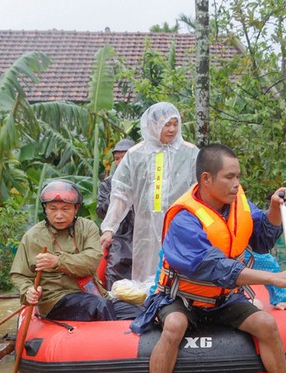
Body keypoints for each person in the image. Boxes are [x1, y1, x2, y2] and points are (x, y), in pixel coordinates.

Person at [129, 143, 286, 373]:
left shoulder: (238, 204)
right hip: (182, 296)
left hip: (223, 298)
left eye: (238, 177)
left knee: (267, 324)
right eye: (229, 177)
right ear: (206, 179)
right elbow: (214, 267)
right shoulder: (184, 218)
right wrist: (274, 278)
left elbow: (261, 239)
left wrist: (274, 208)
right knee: (175, 325)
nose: (236, 184)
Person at [11, 179, 138, 321]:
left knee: (138, 312)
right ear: (45, 209)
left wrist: (57, 261)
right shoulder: (33, 236)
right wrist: (27, 290)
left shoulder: (87, 227)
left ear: (76, 208)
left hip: (93, 293)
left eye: (65, 209)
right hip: (56, 299)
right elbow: (19, 275)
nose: (59, 215)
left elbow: (91, 261)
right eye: (52, 209)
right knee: (98, 306)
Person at [99, 102, 199, 285]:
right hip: (145, 228)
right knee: (145, 276)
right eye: (166, 124)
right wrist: (109, 228)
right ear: (152, 125)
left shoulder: (190, 153)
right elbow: (121, 193)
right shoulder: (135, 154)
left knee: (181, 273)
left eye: (175, 124)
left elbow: (201, 191)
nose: (172, 129)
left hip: (180, 225)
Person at [97, 138, 136, 290]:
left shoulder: (147, 181)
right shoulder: (108, 183)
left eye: (124, 157)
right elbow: (101, 210)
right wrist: (118, 196)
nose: (120, 161)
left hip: (143, 234)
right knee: (116, 266)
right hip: (119, 235)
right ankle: (114, 304)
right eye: (117, 158)